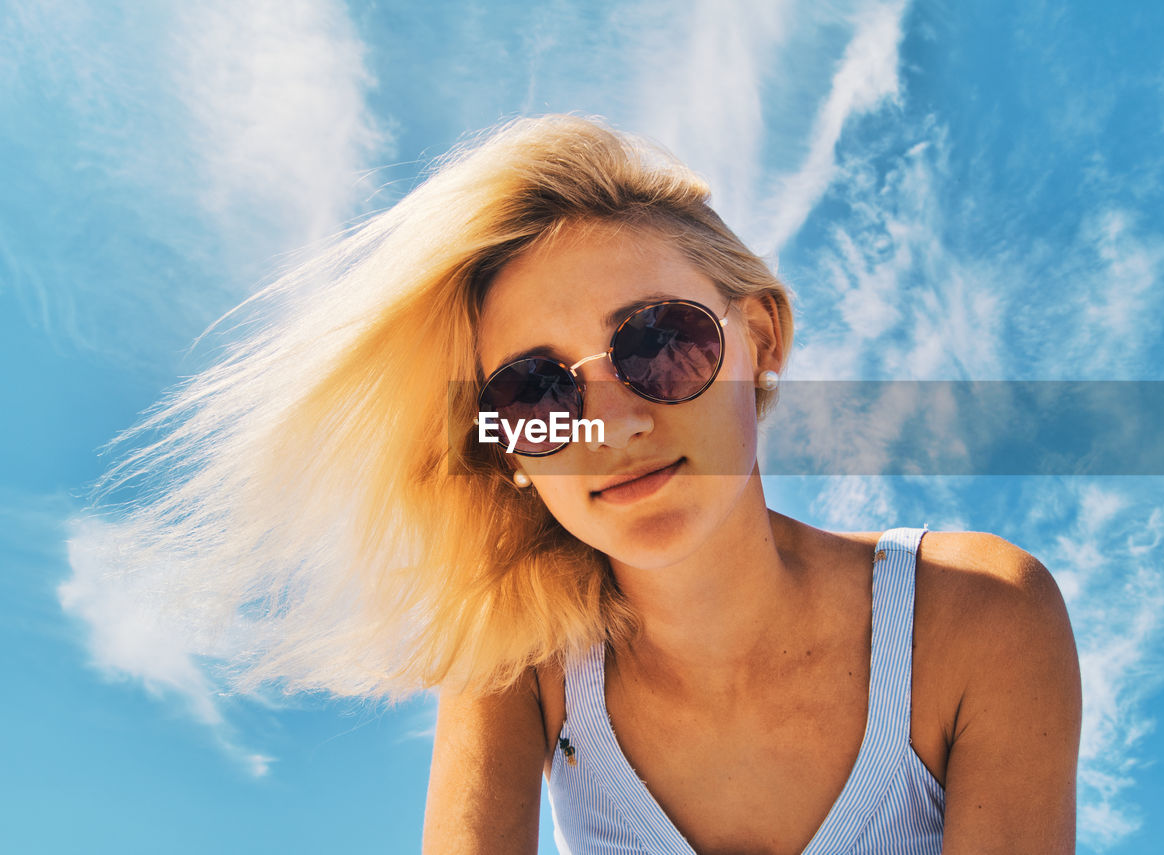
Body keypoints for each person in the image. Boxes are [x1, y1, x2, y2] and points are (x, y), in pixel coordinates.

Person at [90, 114, 1081, 854]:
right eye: (535, 389)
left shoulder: (978, 617)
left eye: (656, 340)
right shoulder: (518, 660)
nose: (610, 423)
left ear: (759, 341)